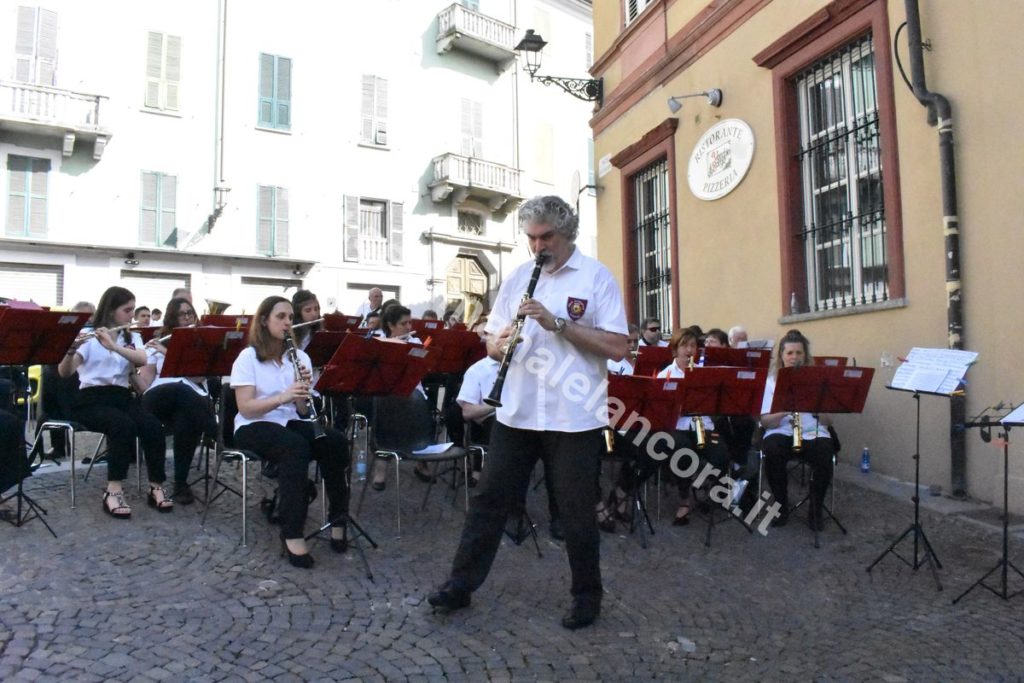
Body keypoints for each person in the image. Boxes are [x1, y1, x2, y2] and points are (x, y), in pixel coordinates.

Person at [428, 195, 628, 630]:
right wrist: (499, 345)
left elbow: (618, 346)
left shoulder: (596, 278)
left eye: (547, 237)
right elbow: (491, 342)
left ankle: (586, 597)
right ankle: (459, 586)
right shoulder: (519, 277)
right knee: (488, 503)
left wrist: (558, 324)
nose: (538, 247)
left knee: (576, 513)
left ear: (566, 232)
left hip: (572, 416)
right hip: (517, 412)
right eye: (531, 239)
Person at [229, 296, 351, 567]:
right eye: (280, 317)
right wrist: (283, 397)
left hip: (288, 420)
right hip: (252, 425)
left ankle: (338, 519)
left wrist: (301, 395)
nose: (287, 323)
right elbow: (246, 408)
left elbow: (303, 413)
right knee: (294, 447)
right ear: (264, 321)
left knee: (335, 442)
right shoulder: (247, 358)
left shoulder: (300, 357)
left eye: (290, 318)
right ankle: (292, 532)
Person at [58, 286, 170, 518]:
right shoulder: (89, 338)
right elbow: (65, 372)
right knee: (122, 426)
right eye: (127, 310)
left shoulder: (133, 337)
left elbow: (142, 359)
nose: (131, 315)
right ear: (111, 311)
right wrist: (70, 352)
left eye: (132, 309)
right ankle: (113, 491)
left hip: (121, 397)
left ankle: (156, 486)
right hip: (91, 399)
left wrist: (114, 346)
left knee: (152, 426)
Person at [136, 298, 217, 505]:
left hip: (189, 400)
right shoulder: (158, 342)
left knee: (185, 420)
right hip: (159, 395)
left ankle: (180, 483)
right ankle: (217, 433)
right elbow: (145, 383)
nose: (188, 317)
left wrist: (171, 355)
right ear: (172, 317)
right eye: (183, 314)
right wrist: (129, 369)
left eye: (190, 313)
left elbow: (199, 378)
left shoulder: (200, 343)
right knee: (180, 389)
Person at [760, 329, 835, 529]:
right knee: (772, 451)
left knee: (825, 452)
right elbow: (766, 422)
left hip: (812, 430)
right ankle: (781, 506)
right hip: (782, 430)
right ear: (782, 357)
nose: (794, 357)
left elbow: (829, 421)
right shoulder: (771, 382)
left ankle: (816, 508)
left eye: (798, 353)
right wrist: (785, 409)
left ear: (805, 355)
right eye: (790, 353)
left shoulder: (818, 381)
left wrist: (815, 406)